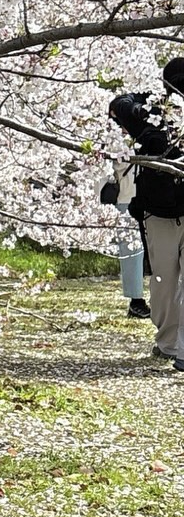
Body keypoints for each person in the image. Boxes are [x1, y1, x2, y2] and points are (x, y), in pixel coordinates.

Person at [104, 59, 184, 371]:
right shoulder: (153, 114)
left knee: (165, 281)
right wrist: (145, 106)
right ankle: (168, 343)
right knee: (164, 281)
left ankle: (179, 349)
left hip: (164, 210)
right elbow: (119, 104)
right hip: (158, 210)